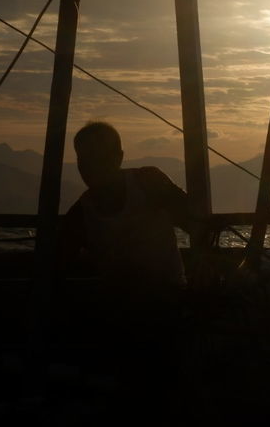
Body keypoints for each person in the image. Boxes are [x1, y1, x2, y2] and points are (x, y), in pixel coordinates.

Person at [61, 121, 190, 304]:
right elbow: (59, 262)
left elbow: (194, 221)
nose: (92, 168)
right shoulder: (80, 214)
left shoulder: (148, 182)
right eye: (85, 160)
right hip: (116, 306)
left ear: (119, 157)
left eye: (100, 158)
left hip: (168, 299)